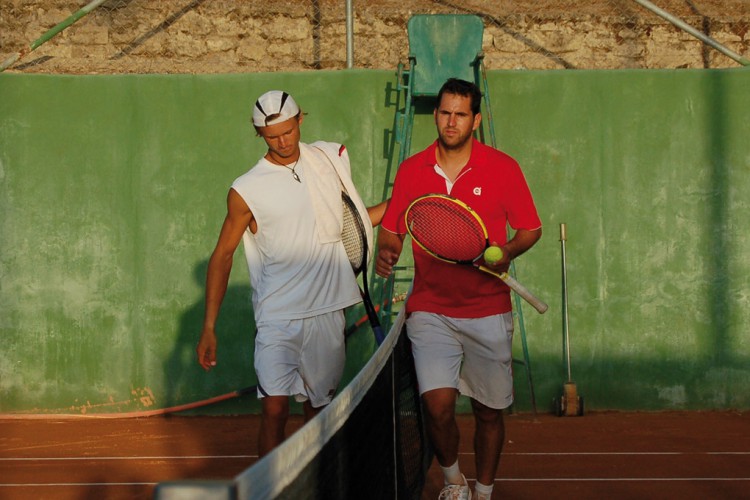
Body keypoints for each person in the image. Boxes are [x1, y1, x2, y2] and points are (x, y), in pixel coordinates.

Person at [375, 78, 542, 500]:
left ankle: (483, 491)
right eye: (445, 112)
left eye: (460, 114)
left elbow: (531, 229)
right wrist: (388, 251)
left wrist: (507, 251)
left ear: (476, 119)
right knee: (436, 406)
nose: (451, 122)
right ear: (437, 114)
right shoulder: (412, 170)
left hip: (488, 309)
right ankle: (454, 483)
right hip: (430, 309)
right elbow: (394, 229)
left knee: (488, 411)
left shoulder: (503, 167)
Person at [196, 89, 386, 456]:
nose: (282, 141)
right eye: (272, 136)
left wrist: (399, 206)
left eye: (288, 131)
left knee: (319, 410)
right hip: (277, 316)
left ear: (301, 120)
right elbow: (222, 255)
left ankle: (316, 481)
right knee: (274, 409)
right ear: (259, 136)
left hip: (328, 313)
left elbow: (355, 223)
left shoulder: (328, 160)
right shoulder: (246, 189)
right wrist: (208, 326)